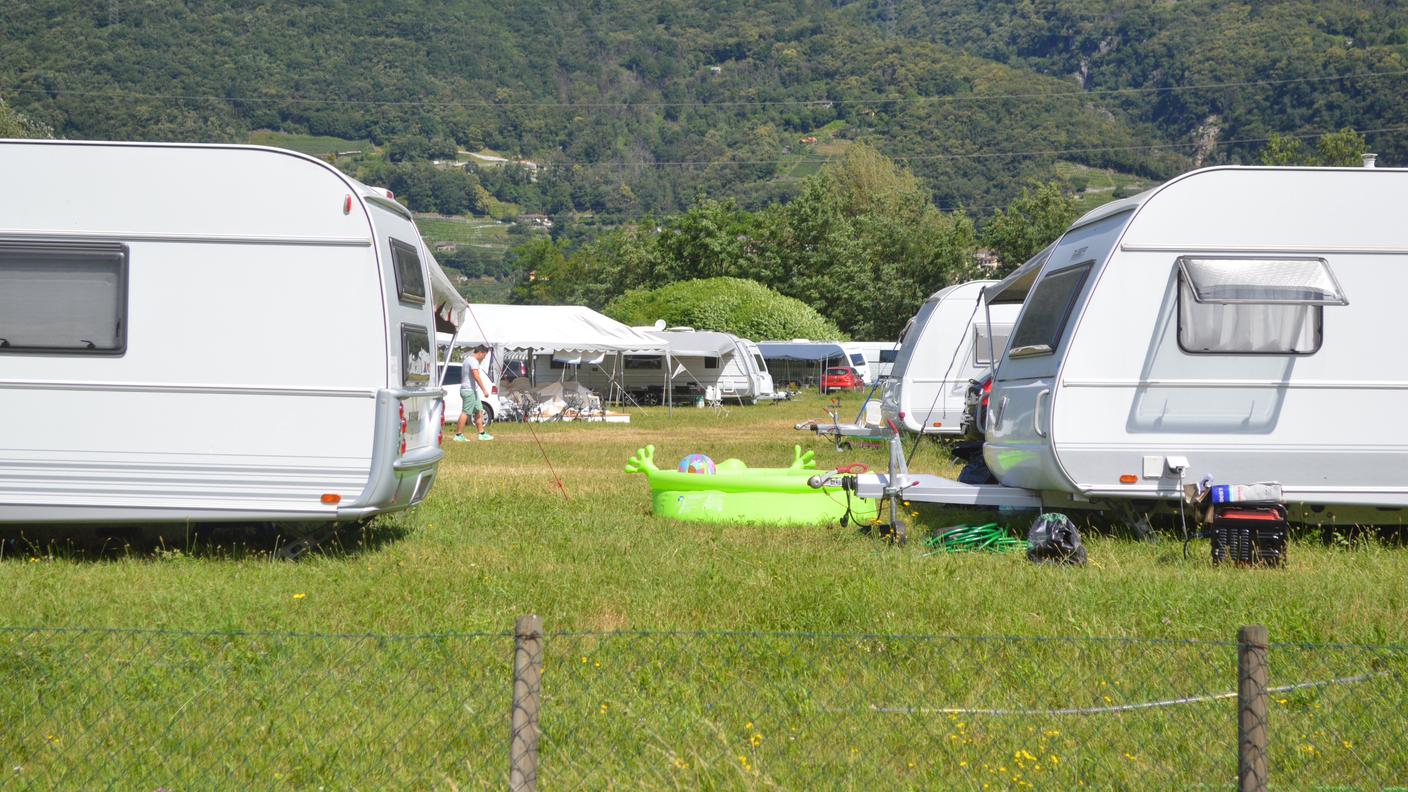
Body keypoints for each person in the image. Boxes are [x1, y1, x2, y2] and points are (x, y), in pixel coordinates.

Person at [454, 345, 494, 442]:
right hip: (469, 391)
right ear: (480, 353)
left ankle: (482, 434)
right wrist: (484, 389)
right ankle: (458, 435)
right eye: (484, 355)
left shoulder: (467, 360)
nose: (484, 358)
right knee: (465, 412)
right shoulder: (473, 361)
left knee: (479, 410)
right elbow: (476, 375)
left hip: (472, 390)